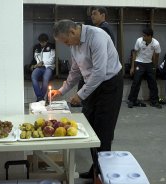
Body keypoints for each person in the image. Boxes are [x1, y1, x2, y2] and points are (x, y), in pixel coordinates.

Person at [50, 19, 124, 180]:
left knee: (103, 131)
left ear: (72, 32)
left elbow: (100, 72)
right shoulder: (74, 44)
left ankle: (102, 175)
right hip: (92, 83)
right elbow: (75, 70)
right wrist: (61, 91)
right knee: (89, 127)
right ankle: (95, 169)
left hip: (110, 84)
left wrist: (80, 95)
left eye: (66, 41)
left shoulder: (97, 36)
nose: (66, 44)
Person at [127, 27, 162, 109]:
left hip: (149, 64)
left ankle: (154, 101)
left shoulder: (156, 43)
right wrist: (132, 67)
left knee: (153, 83)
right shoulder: (139, 40)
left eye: (145, 36)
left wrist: (155, 66)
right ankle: (132, 100)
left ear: (150, 36)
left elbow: (157, 55)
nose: (143, 37)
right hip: (139, 63)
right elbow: (134, 53)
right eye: (143, 35)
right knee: (136, 82)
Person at [31, 33, 55, 102]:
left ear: (46, 41)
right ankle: (40, 97)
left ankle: (40, 98)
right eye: (40, 42)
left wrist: (43, 62)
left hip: (48, 67)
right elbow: (34, 59)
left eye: (43, 42)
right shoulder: (36, 47)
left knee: (45, 77)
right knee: (33, 76)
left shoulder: (51, 46)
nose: (42, 43)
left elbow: (52, 59)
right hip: (39, 67)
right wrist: (33, 66)